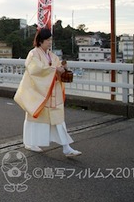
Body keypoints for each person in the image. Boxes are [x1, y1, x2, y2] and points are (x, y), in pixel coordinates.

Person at [13, 28, 82, 157]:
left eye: (50, 40)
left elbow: (54, 68)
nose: (50, 42)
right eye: (48, 40)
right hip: (39, 94)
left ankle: (66, 148)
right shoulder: (33, 54)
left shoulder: (51, 55)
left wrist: (62, 69)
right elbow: (35, 70)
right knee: (34, 119)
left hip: (50, 93)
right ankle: (30, 143)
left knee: (59, 121)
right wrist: (55, 70)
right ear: (41, 41)